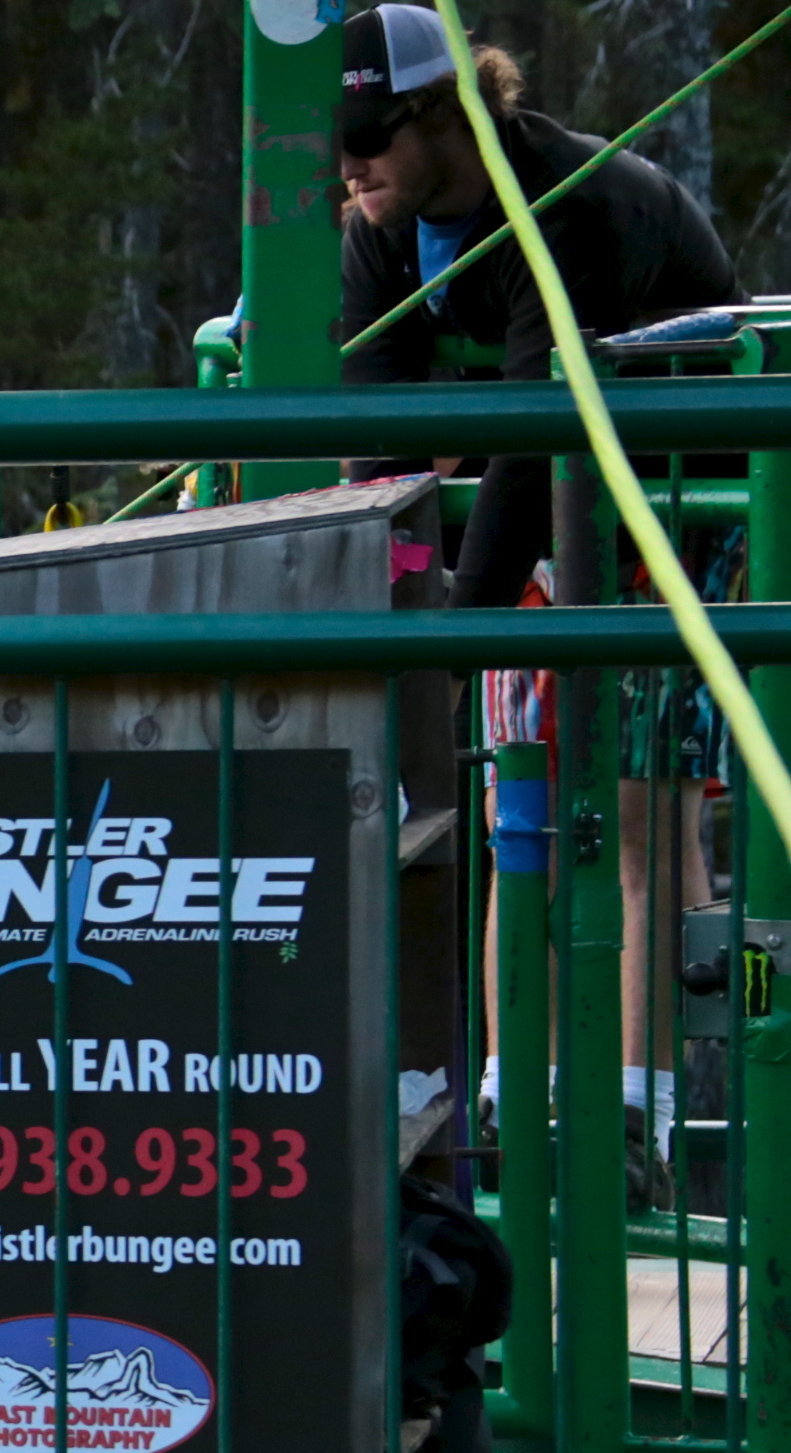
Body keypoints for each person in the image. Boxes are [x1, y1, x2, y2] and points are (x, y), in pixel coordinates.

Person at [331, 2, 742, 1201]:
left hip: (663, 495)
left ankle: (632, 1118)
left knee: (638, 805)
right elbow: (382, 432)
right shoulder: (382, 222)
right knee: (528, 798)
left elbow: (530, 434)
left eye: (371, 136)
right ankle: (515, 1096)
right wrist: (424, 592)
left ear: (448, 112)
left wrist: (447, 628)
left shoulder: (572, 206)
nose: (352, 169)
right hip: (549, 501)